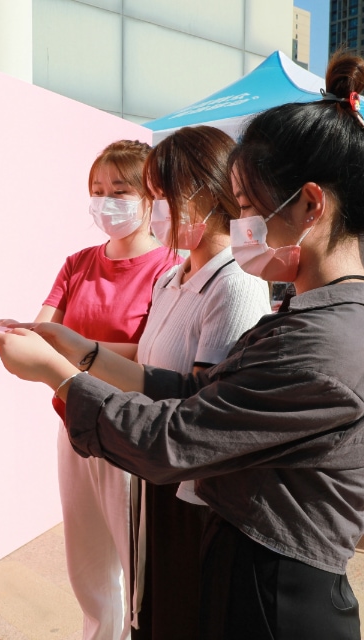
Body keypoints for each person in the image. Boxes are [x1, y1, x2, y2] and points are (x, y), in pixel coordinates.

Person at [0, 50, 364, 639]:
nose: (242, 226)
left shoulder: (330, 343)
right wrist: (82, 353)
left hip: (274, 595)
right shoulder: (313, 317)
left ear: (311, 205)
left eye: (252, 207)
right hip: (246, 570)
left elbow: (175, 436)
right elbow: (196, 390)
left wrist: (61, 377)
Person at [0, 139, 179, 640]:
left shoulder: (169, 269)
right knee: (87, 561)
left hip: (130, 430)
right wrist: (13, 336)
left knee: (135, 558)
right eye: (97, 191)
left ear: (152, 196)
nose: (106, 202)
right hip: (73, 420)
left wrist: (73, 350)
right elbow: (43, 329)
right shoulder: (78, 263)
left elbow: (151, 355)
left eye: (120, 190)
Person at [131, 126, 270, 639]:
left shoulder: (236, 282)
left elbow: (198, 400)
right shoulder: (171, 276)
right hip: (155, 469)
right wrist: (69, 347)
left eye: (162, 195)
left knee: (184, 612)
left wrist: (78, 375)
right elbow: (146, 359)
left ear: (206, 192)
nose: (155, 209)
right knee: (154, 607)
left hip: (193, 488)